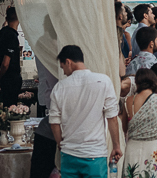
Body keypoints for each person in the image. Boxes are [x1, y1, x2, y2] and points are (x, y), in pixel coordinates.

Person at [49, 45, 121, 178]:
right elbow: (112, 118)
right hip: (95, 155)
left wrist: (61, 144)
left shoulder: (59, 88)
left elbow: (54, 122)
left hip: (69, 155)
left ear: (68, 62)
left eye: (62, 67)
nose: (64, 72)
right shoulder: (103, 81)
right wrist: (116, 146)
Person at [122, 68, 157, 178]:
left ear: (137, 83)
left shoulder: (128, 101)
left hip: (133, 146)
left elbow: (125, 128)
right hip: (155, 147)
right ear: (154, 81)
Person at [0, 7, 23, 105]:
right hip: (11, 79)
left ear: (6, 18)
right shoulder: (12, 36)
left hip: (6, 80)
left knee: (7, 105)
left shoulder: (2, 32)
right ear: (19, 18)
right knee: (12, 106)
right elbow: (6, 63)